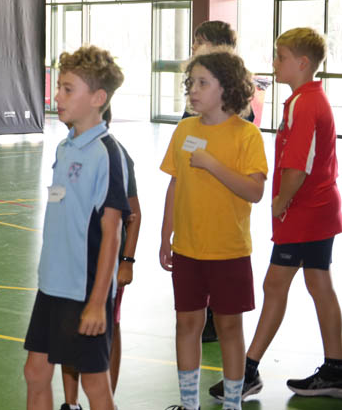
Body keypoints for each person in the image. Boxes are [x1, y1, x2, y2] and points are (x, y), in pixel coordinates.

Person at [210, 27, 342, 401]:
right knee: (319, 283)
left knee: (275, 286)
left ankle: (248, 372)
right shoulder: (306, 99)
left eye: (281, 57)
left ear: (302, 63)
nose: (274, 62)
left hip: (305, 213)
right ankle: (336, 369)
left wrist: (280, 203)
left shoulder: (305, 104)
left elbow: (298, 166)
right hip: (318, 209)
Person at [159, 50, 268, 410]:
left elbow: (254, 191)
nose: (193, 90)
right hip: (187, 249)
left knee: (229, 329)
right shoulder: (184, 129)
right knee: (186, 325)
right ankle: (188, 403)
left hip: (228, 250)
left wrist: (212, 165)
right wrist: (165, 236)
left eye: (203, 83)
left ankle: (233, 403)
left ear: (227, 88)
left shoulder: (246, 135)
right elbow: (175, 184)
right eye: (191, 83)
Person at [24, 45, 130, 410]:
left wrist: (98, 303)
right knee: (35, 373)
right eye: (59, 87)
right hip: (52, 285)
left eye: (68, 89)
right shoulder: (65, 147)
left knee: (95, 385)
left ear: (98, 98)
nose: (57, 96)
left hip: (83, 290)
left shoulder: (107, 153)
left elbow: (112, 233)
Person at [59, 106, 142, 410]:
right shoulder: (66, 150)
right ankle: (70, 403)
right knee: (68, 327)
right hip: (71, 261)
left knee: (108, 328)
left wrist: (127, 262)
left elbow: (134, 215)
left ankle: (108, 400)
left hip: (103, 263)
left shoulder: (114, 154)